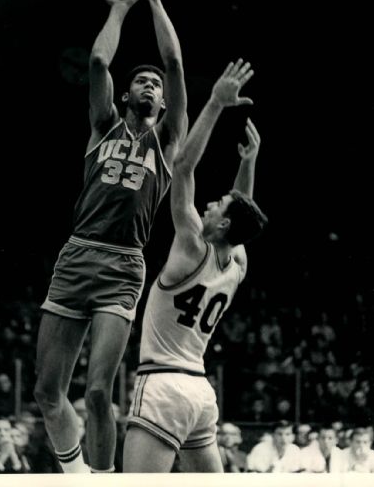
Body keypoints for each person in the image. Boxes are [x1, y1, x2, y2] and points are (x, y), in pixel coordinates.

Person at [34, 0, 187, 474]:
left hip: (123, 265)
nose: (151, 84)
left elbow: (174, 61)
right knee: (47, 392)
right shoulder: (103, 128)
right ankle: (74, 473)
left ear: (165, 106)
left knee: (98, 392)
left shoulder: (167, 143)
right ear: (126, 94)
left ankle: (102, 480)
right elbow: (99, 60)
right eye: (142, 81)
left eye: (157, 86)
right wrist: (119, 7)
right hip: (77, 254)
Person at [123, 58, 267, 472]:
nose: (208, 202)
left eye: (216, 204)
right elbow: (240, 212)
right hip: (200, 393)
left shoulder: (191, 245)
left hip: (164, 383)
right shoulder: (236, 262)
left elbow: (182, 167)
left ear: (220, 224)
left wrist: (217, 104)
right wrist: (248, 162)